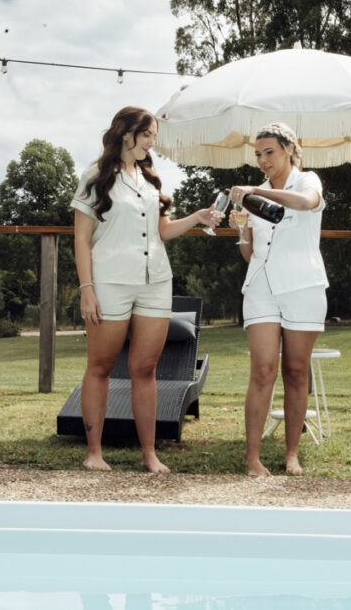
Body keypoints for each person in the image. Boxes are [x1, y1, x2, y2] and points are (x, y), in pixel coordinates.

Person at [72, 106, 221, 473]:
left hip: (155, 281)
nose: (153, 142)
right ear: (127, 133)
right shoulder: (94, 177)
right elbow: (80, 238)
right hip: (109, 282)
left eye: (154, 136)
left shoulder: (150, 180)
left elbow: (163, 231)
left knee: (146, 369)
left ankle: (150, 454)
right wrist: (86, 289)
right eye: (148, 135)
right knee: (101, 367)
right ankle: (94, 453)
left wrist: (197, 218)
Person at [228, 122, 328, 477]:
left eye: (269, 152)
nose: (263, 160)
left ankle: (291, 455)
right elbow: (250, 253)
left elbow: (306, 204)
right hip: (260, 286)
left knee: (296, 371)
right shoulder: (253, 196)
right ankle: (252, 458)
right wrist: (241, 228)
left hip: (303, 286)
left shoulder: (307, 181)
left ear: (289, 149)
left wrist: (256, 191)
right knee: (263, 370)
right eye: (258, 154)